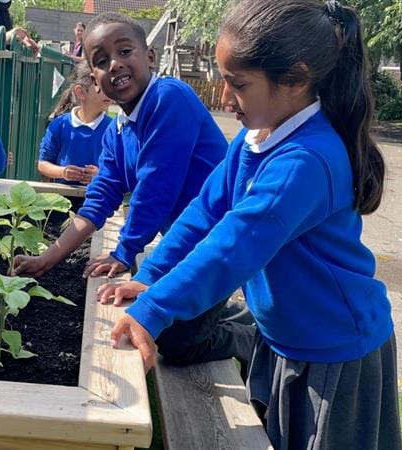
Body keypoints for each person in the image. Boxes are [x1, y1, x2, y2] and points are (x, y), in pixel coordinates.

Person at [102, 1, 401, 448]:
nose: (224, 99)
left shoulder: (306, 160)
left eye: (237, 84)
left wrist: (154, 310)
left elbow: (234, 244)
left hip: (335, 350)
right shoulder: (254, 136)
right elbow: (205, 212)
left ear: (296, 79)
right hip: (284, 337)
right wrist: (150, 278)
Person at [15, 12, 253, 369]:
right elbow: (101, 197)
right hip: (184, 240)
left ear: (150, 57)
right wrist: (50, 257)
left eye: (124, 51)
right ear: (94, 78)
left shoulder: (168, 98)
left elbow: (157, 188)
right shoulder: (117, 131)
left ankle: (252, 338)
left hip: (218, 241)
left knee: (177, 342)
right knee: (171, 321)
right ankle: (223, 311)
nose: (114, 64)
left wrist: (124, 253)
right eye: (100, 61)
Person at [38, 61, 112, 185]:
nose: (109, 91)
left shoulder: (114, 129)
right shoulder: (59, 125)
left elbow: (123, 170)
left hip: (100, 200)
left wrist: (101, 175)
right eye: (101, 86)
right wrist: (63, 172)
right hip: (61, 200)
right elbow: (43, 164)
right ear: (80, 92)